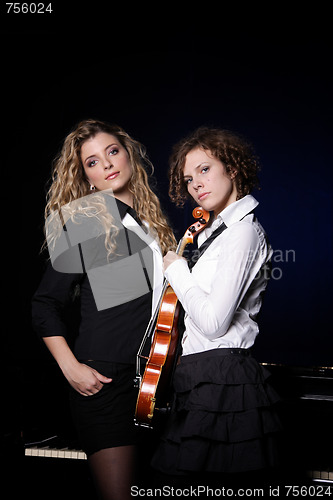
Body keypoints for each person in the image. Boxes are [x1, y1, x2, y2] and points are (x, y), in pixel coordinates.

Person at [31, 119, 176, 500]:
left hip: (154, 383)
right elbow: (45, 303)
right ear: (87, 177)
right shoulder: (85, 220)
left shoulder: (151, 224)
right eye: (92, 162)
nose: (107, 164)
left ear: (128, 154)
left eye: (112, 151)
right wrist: (71, 367)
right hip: (104, 383)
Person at [151, 126, 282, 485]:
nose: (196, 184)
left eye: (205, 169)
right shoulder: (213, 232)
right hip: (198, 376)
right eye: (188, 178)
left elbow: (213, 323)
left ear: (233, 168)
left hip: (223, 380)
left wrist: (177, 270)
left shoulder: (243, 231)